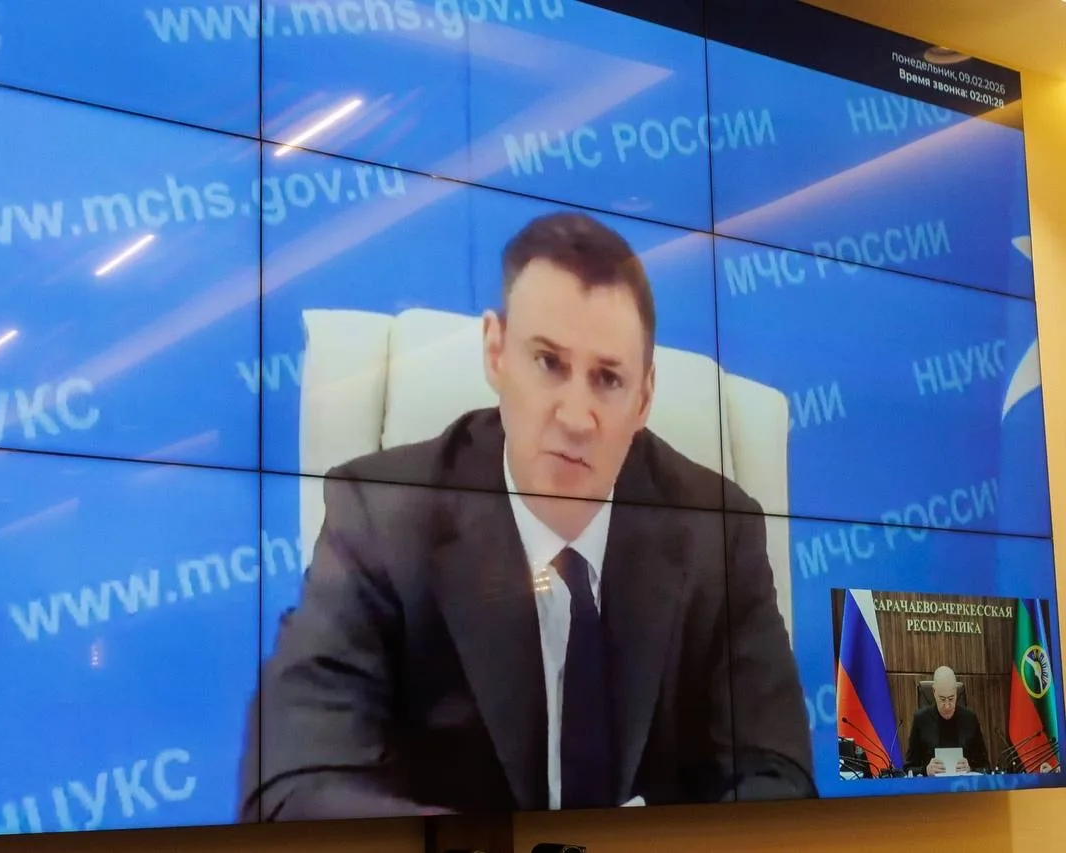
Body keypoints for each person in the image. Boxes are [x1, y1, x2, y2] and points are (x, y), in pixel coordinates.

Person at [238, 212, 815, 821]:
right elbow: (290, 787)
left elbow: (778, 778)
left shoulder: (717, 533)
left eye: (608, 379)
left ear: (644, 397)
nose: (576, 416)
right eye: (548, 363)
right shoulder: (381, 516)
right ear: (496, 352)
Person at [905, 666, 990, 776]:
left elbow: (985, 767)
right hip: (933, 786)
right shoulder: (921, 720)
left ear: (956, 692)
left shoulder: (970, 719)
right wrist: (926, 770)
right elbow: (908, 769)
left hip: (964, 785)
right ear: (934, 692)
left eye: (951, 698)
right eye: (942, 699)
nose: (947, 706)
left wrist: (970, 768)